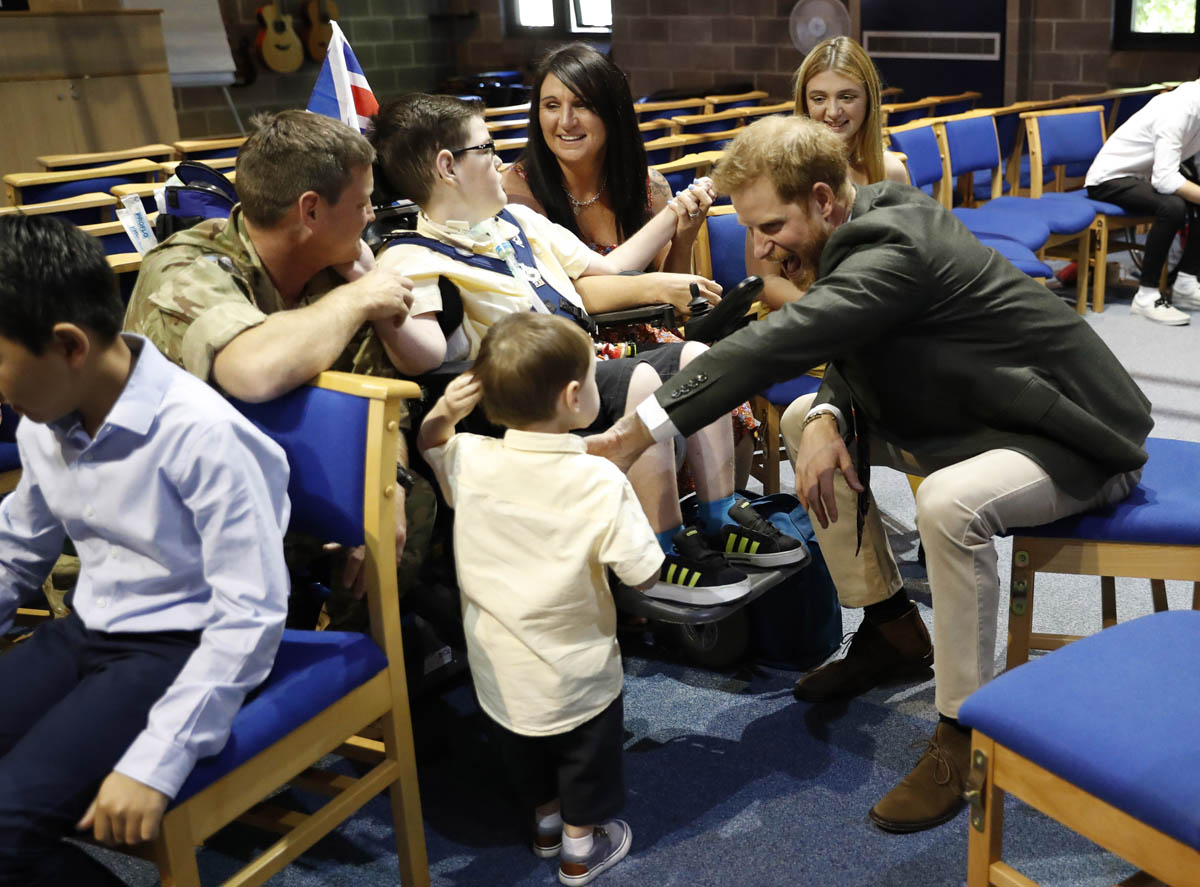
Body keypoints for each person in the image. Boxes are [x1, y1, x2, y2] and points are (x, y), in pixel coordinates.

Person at [588, 115, 1153, 834]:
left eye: (770, 227)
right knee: (805, 420)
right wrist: (828, 413)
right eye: (750, 230)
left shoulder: (893, 245)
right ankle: (891, 630)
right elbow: (857, 337)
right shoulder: (862, 219)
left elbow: (780, 342)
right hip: (976, 417)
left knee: (947, 504)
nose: (758, 250)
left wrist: (631, 434)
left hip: (1073, 436)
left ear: (824, 200)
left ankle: (964, 730)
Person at [368, 93, 806, 602]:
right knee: (641, 379)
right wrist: (371, 290)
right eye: (487, 149)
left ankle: (717, 516)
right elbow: (421, 359)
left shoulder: (518, 222)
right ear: (448, 167)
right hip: (515, 406)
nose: (501, 162)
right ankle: (661, 550)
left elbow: (612, 267)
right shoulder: (410, 258)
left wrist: (675, 212)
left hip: (578, 371)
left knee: (695, 359)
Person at [0, 214, 291, 886]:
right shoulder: (45, 422)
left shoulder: (201, 433)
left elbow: (251, 613)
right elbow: (16, 547)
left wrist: (161, 754)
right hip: (87, 631)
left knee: (7, 826)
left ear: (68, 345)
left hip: (184, 645)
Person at [123, 109, 431, 628]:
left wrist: (388, 485)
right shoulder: (186, 268)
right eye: (361, 203)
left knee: (410, 503)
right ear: (310, 210)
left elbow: (379, 399)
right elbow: (254, 371)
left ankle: (347, 653)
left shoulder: (328, 273)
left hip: (269, 480)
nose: (370, 216)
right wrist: (359, 298)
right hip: (169, 518)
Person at [419, 313, 662, 886]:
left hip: (497, 667)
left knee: (522, 751)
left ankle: (546, 825)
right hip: (578, 668)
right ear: (574, 397)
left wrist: (445, 411)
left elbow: (432, 442)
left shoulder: (471, 457)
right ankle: (579, 848)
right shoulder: (599, 480)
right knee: (585, 757)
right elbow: (645, 576)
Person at [502, 42, 759, 480]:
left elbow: (671, 295)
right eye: (551, 105)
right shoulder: (518, 190)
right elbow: (568, 294)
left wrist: (683, 237)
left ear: (612, 111)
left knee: (724, 395)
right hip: (572, 345)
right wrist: (657, 286)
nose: (565, 121)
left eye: (582, 105)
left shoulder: (647, 186)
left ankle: (717, 513)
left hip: (648, 331)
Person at [750, 36, 908, 310]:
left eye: (847, 97)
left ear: (868, 100)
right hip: (800, 313)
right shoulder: (774, 171)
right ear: (805, 103)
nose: (833, 112)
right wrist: (832, 313)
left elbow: (902, 262)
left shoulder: (890, 171)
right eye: (819, 98)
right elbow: (764, 282)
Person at [1086, 78, 1200, 326]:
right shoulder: (1178, 109)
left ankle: (1186, 282)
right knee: (1173, 207)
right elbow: (1165, 180)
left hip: (1143, 178)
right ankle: (1147, 296)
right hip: (1109, 179)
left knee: (1193, 197)